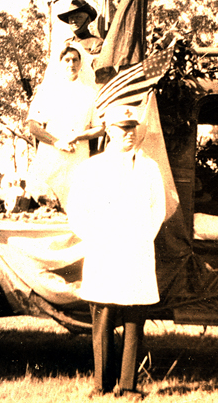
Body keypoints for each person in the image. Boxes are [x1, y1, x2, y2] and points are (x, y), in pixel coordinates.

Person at [66, 105, 168, 397]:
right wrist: (96, 238)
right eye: (123, 128)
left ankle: (128, 385)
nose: (130, 133)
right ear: (109, 131)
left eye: (133, 127)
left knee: (135, 320)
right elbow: (77, 210)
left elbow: (157, 209)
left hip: (136, 252)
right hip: (105, 253)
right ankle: (102, 385)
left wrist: (140, 238)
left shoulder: (149, 167)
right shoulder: (92, 168)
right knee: (104, 317)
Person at [26, 41, 102, 209]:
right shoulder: (48, 90)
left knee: (74, 205)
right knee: (46, 206)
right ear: (60, 62)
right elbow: (33, 126)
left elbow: (101, 128)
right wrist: (57, 142)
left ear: (81, 62)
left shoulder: (90, 93)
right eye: (67, 60)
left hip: (78, 156)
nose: (71, 64)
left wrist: (78, 136)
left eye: (75, 60)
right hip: (50, 155)